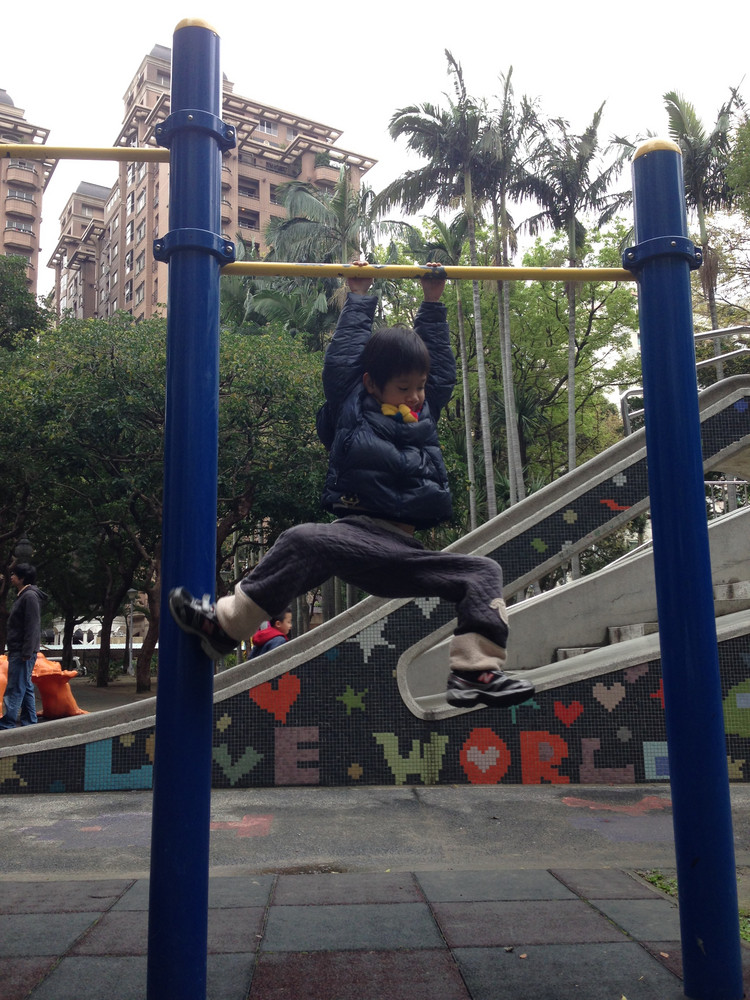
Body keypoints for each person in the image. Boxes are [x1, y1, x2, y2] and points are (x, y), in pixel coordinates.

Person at [169, 265, 534, 709]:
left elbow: (437, 373)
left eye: (419, 387)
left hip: (404, 552)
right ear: (371, 384)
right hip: (357, 536)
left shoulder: (423, 412)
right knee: (304, 539)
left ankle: (474, 673)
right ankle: (225, 627)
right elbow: (343, 358)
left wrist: (433, 303)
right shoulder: (352, 405)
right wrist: (358, 297)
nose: (416, 396)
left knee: (483, 573)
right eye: (404, 387)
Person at [0, 563, 46, 729]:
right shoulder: (24, 595)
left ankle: (7, 723)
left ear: (22, 578)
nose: (11, 577)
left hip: (22, 651)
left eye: (14, 574)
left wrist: (26, 651)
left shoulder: (29, 597)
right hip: (20, 650)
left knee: (15, 688)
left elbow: (32, 626)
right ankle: (30, 722)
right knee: (25, 687)